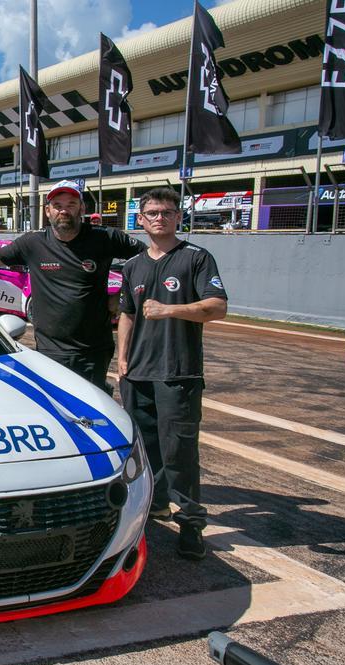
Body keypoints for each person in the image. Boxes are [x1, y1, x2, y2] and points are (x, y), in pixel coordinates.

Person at [0, 179, 143, 390]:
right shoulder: (34, 242)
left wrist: (123, 298)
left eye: (71, 205)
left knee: (93, 411)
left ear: (81, 208)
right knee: (57, 409)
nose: (63, 210)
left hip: (93, 350)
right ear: (48, 211)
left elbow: (149, 258)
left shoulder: (105, 238)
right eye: (57, 205)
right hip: (50, 350)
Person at [117, 187, 227, 560]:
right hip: (138, 373)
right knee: (144, 450)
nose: (159, 218)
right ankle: (156, 506)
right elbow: (128, 314)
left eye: (166, 212)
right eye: (152, 213)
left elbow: (217, 307)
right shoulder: (133, 265)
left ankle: (192, 524)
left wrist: (170, 310)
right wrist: (122, 359)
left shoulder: (196, 258)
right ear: (141, 220)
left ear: (178, 217)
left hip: (178, 373)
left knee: (180, 452)